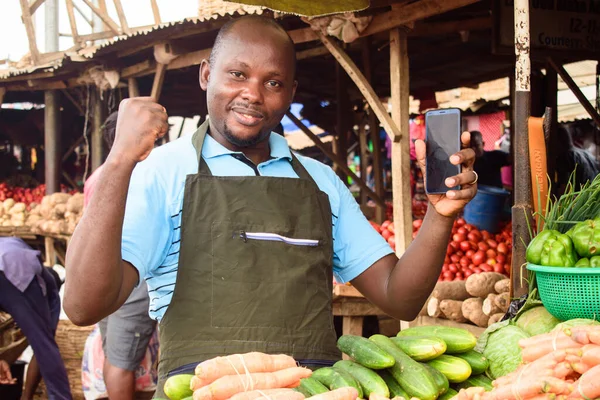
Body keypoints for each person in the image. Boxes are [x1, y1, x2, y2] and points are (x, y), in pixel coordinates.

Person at [64, 15, 477, 397]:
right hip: (202, 391)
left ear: (291, 92)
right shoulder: (164, 173)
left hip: (313, 390)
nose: (253, 95)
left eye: (273, 82)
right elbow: (84, 306)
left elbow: (398, 298)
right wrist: (119, 161)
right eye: (238, 74)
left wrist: (441, 217)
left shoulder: (320, 181)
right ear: (207, 74)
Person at [83, 112, 157, 400]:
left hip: (105, 275)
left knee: (114, 349)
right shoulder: (141, 175)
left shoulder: (97, 176)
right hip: (132, 274)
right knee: (122, 361)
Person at [0, 237, 71, 400]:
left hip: (10, 263)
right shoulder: (49, 292)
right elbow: (44, 349)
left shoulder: (16, 247)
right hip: (10, 267)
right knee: (44, 345)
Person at [555, 125, 600, 194]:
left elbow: (564, 188)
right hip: (595, 195)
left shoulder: (565, 157)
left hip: (583, 199)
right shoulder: (585, 152)